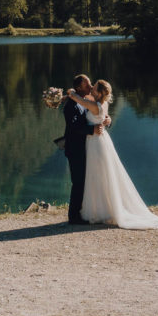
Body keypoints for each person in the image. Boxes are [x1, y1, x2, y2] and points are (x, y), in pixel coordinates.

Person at [68, 80, 158, 230]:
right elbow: (100, 114)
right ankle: (103, 209)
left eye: (93, 87)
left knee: (97, 174)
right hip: (99, 141)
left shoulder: (93, 105)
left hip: (95, 143)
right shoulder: (102, 104)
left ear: (99, 93)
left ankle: (97, 210)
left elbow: (78, 99)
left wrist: (69, 93)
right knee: (100, 175)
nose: (91, 88)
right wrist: (107, 119)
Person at [62, 74, 110, 225]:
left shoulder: (86, 101)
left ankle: (86, 211)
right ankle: (74, 216)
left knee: (88, 179)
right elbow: (74, 127)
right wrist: (92, 129)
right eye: (87, 85)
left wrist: (108, 120)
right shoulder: (71, 105)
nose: (90, 88)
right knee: (78, 181)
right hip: (76, 148)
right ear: (79, 88)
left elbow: (101, 113)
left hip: (89, 147)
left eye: (91, 85)